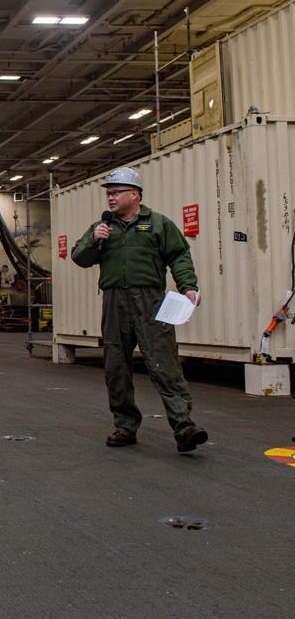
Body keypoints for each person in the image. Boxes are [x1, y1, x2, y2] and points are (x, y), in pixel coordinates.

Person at [71, 166, 208, 453]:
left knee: (163, 363)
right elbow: (79, 258)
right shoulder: (102, 227)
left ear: (135, 195)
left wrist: (188, 286)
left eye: (116, 193)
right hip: (114, 301)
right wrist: (92, 239)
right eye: (108, 194)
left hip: (150, 301)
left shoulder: (158, 224)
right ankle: (125, 426)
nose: (110, 199)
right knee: (116, 366)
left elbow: (179, 255)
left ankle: (184, 427)